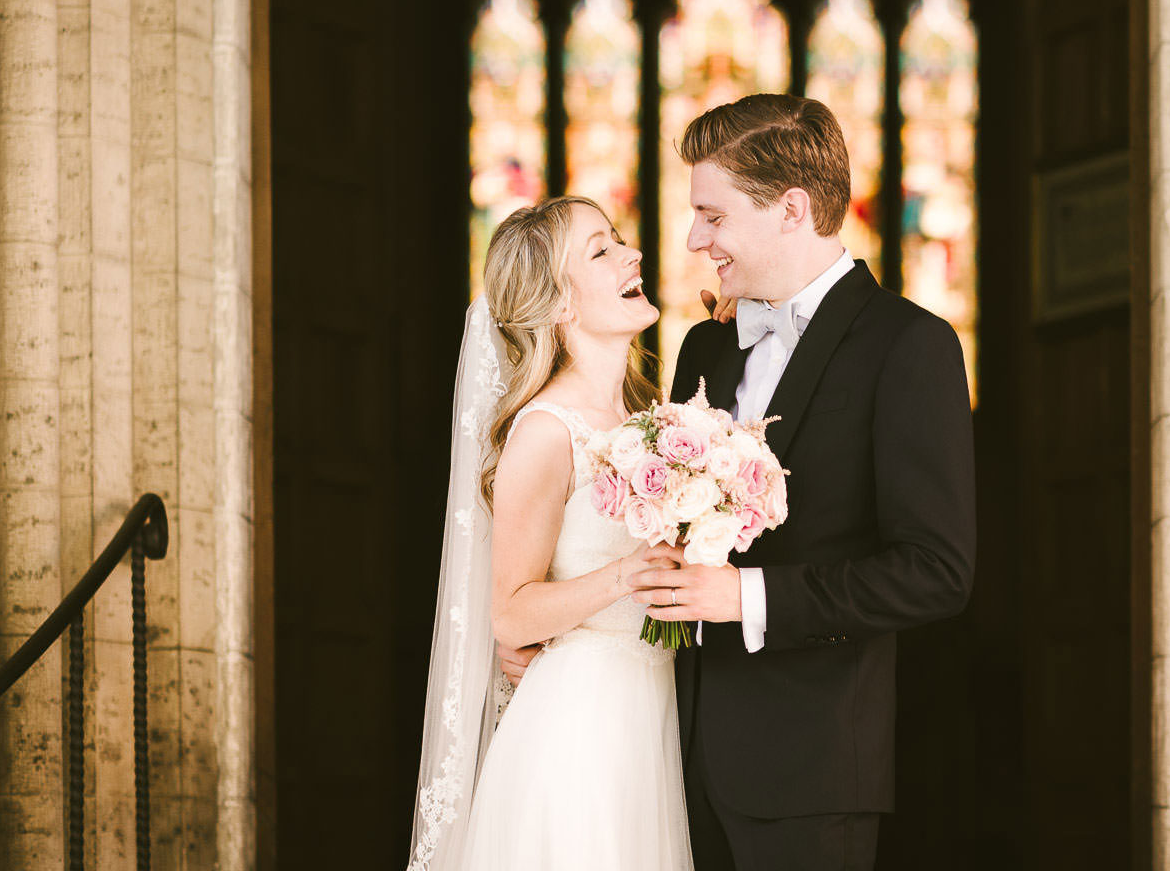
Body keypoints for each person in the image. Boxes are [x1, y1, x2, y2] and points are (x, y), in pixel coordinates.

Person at [630, 94, 979, 870]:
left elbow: (936, 572)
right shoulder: (704, 349)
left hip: (810, 773)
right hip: (671, 764)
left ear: (792, 209)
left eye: (713, 217)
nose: (694, 239)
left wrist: (746, 598)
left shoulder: (909, 346)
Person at [405, 196, 692, 870]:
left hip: (650, 714)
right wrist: (625, 575)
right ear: (561, 306)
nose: (633, 254)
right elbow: (510, 613)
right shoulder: (545, 430)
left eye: (619, 239)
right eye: (602, 250)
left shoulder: (653, 420)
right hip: (579, 727)